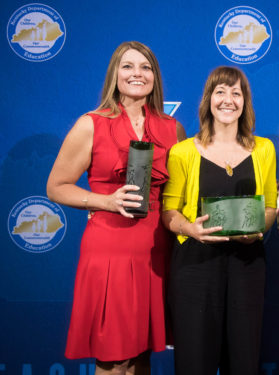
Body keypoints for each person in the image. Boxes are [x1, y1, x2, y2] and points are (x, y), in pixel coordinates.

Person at [46, 41, 186, 374]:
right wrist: (105, 202)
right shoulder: (90, 124)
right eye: (128, 66)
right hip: (110, 251)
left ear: (155, 76)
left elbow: (178, 194)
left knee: (142, 353)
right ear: (115, 74)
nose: (137, 73)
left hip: (156, 252)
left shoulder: (172, 128)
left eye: (146, 67)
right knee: (113, 356)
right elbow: (55, 187)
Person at [162, 66, 277, 375]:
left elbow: (270, 208)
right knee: (194, 362)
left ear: (245, 102)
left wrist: (256, 231)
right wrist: (189, 228)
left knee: (243, 361)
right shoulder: (182, 151)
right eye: (221, 91)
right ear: (208, 100)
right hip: (195, 268)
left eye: (236, 93)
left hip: (247, 266)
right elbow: (168, 212)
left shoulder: (264, 149)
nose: (228, 100)